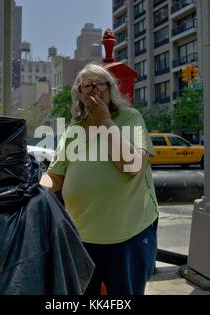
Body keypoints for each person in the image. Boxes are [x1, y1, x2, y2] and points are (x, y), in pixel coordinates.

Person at [40, 64, 159, 295]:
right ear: (79, 94)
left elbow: (131, 164)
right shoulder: (74, 129)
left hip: (127, 235)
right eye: (87, 86)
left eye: (100, 84)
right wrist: (31, 190)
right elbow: (55, 176)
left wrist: (105, 120)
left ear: (110, 88)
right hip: (81, 237)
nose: (94, 90)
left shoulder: (129, 118)